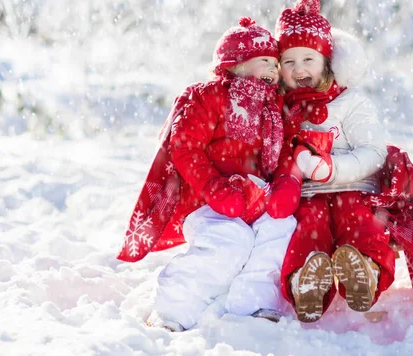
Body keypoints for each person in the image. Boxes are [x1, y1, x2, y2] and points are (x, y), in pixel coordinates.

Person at [116, 17, 298, 331]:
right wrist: (213, 187)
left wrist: (284, 183)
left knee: (281, 226)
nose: (273, 69)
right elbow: (185, 146)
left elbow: (282, 155)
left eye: (275, 63)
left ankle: (255, 302)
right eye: (265, 61)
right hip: (208, 201)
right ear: (237, 63)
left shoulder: (274, 108)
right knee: (231, 239)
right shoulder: (208, 95)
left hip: (255, 198)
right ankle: (172, 310)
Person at [266, 0, 397, 323]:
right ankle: (306, 281)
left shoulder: (350, 102)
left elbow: (374, 150)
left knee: (361, 222)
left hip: (354, 186)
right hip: (308, 194)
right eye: (289, 62)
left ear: (326, 60)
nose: (299, 70)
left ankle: (365, 272)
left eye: (308, 59)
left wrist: (335, 170)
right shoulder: (281, 107)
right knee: (309, 228)